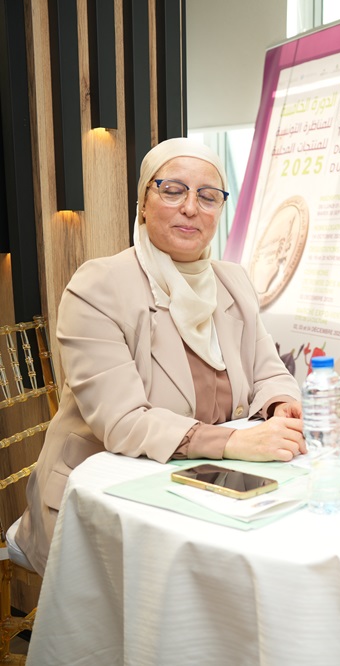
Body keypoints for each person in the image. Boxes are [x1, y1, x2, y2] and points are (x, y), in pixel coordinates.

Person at [12, 138, 305, 575]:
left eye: (208, 196)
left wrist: (281, 406)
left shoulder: (233, 281)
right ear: (143, 204)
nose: (191, 208)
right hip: (107, 497)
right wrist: (233, 442)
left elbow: (269, 371)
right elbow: (124, 422)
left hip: (204, 487)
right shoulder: (99, 286)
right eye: (173, 191)